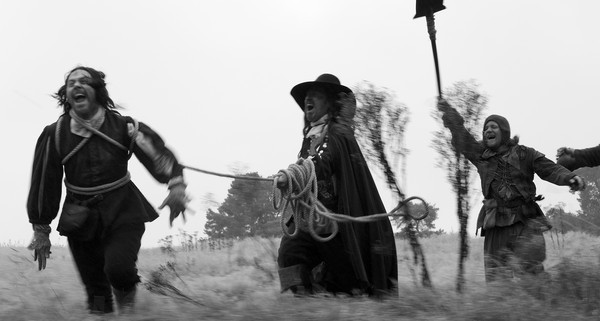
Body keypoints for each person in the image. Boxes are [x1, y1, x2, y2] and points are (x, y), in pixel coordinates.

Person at [26, 66, 189, 314]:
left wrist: (176, 185)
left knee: (119, 270)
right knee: (96, 289)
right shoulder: (55, 134)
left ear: (97, 91)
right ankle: (103, 317)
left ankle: (127, 314)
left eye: (84, 81)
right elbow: (43, 184)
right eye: (71, 83)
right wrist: (41, 229)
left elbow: (161, 158)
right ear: (66, 95)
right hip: (79, 217)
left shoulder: (126, 127)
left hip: (123, 210)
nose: (77, 86)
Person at [275, 73, 398, 297]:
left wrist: (295, 174)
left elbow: (325, 162)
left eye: (316, 95)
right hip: (309, 217)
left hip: (336, 222)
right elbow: (310, 166)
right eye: (306, 97)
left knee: (347, 281)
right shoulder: (310, 136)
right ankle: (302, 301)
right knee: (288, 254)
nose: (308, 100)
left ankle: (352, 299)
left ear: (330, 103)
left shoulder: (338, 133)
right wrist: (290, 180)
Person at [436, 99, 585, 281]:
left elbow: (550, 169)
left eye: (493, 127)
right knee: (496, 281)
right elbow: (463, 139)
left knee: (533, 279)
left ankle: (543, 306)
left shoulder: (525, 153)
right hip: (495, 225)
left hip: (526, 223)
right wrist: (451, 116)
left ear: (504, 131)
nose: (488, 130)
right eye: (486, 128)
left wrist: (570, 178)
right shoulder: (481, 156)